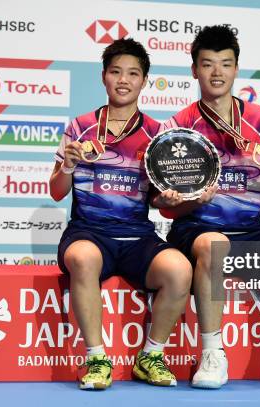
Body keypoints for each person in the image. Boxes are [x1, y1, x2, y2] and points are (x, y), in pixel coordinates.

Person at [153, 25, 260, 389]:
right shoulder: (178, 127)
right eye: (207, 64)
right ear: (194, 70)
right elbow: (166, 211)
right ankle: (213, 354)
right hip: (198, 229)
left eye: (225, 64)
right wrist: (183, 201)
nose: (216, 72)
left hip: (251, 230)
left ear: (236, 69)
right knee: (213, 244)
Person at [49, 38, 192, 390]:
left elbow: (160, 202)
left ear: (145, 81)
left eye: (133, 73)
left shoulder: (158, 134)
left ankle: (151, 356)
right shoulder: (79, 127)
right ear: (103, 77)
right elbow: (56, 191)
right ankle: (97, 359)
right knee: (82, 258)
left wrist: (169, 198)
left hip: (136, 237)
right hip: (88, 232)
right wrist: (66, 165)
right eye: (116, 72)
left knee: (180, 269)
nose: (123, 80)